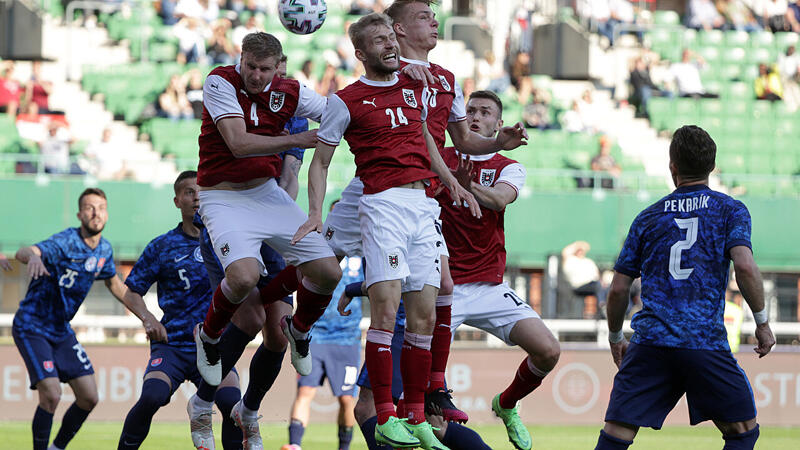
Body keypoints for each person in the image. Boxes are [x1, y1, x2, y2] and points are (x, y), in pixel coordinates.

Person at [322, 4, 529, 446]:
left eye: (436, 15)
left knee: (438, 291)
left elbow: (444, 141)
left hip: (424, 194)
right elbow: (329, 150)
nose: (434, 21)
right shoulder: (373, 86)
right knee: (325, 256)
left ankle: (427, 396)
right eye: (424, 15)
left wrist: (477, 159)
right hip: (377, 184)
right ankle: (299, 325)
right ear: (394, 32)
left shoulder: (442, 81)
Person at [293, 13, 479, 450]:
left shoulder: (415, 87)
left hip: (423, 205)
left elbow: (426, 140)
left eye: (389, 37)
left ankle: (416, 416)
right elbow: (320, 161)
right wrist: (316, 211)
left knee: (425, 316)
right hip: (383, 206)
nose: (390, 45)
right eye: (378, 40)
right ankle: (385, 414)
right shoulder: (347, 100)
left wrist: (450, 182)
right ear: (361, 53)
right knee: (386, 309)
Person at [595, 125, 776, 450]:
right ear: (711, 166)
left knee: (616, 433)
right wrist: (762, 323)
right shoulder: (730, 210)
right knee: (742, 431)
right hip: (703, 341)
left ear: (672, 167)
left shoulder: (647, 218)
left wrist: (615, 337)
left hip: (650, 342)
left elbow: (619, 289)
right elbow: (745, 266)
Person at [193, 31, 342, 391]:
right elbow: (239, 143)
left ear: (278, 68)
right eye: (250, 66)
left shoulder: (291, 90)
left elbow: (337, 113)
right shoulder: (220, 80)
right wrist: (296, 138)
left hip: (266, 194)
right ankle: (209, 336)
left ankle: (299, 328)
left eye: (264, 69)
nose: (256, 75)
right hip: (221, 197)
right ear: (240, 59)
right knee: (243, 278)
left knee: (328, 273)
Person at [187, 55, 311, 450]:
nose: (274, 78)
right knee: (253, 317)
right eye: (263, 69)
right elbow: (236, 146)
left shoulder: (296, 113)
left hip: (269, 215)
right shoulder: (232, 92)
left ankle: (249, 410)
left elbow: (290, 177)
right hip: (230, 215)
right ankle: (203, 401)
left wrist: (279, 220)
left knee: (278, 334)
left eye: (277, 70)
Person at [437, 91, 560, 450]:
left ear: (497, 123)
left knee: (548, 351)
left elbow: (501, 199)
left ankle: (506, 404)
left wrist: (464, 182)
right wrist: (452, 175)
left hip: (489, 286)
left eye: (484, 112)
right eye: (469, 110)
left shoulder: (508, 166)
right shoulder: (440, 158)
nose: (475, 116)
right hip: (443, 287)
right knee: (429, 406)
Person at [117, 171, 243, 450]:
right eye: (189, 192)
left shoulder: (228, 244)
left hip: (215, 346)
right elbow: (131, 291)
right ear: (177, 201)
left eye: (201, 191)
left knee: (231, 403)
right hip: (171, 344)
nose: (196, 197)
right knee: (152, 396)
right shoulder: (162, 246)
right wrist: (148, 319)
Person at [12, 188, 127, 450]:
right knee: (52, 395)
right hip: (32, 325)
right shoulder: (66, 242)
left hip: (61, 330)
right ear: (79, 214)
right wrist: (33, 258)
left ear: (107, 212)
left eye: (101, 207)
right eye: (89, 207)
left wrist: (146, 316)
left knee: (89, 397)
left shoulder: (104, 250)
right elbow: (25, 251)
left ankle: (57, 447)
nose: (96, 213)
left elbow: (115, 286)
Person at [283, 252, 364, 450]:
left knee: (347, 399)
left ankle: (343, 447)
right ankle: (294, 445)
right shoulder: (321, 252)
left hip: (347, 339)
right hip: (315, 335)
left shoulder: (361, 255)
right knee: (305, 391)